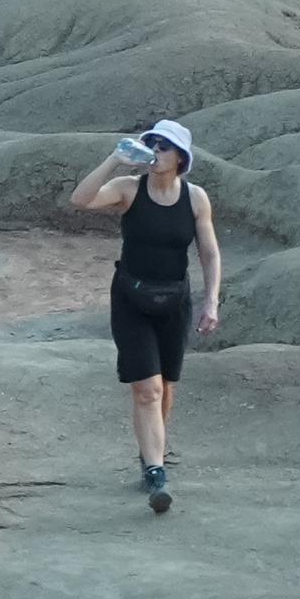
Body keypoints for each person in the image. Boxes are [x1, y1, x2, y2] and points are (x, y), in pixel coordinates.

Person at [67, 118, 220, 513]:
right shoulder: (129, 190)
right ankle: (156, 472)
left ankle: (151, 453)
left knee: (166, 387)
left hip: (174, 301)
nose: (155, 151)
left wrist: (212, 302)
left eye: (164, 146)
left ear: (181, 157)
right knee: (147, 389)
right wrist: (114, 159)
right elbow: (80, 199)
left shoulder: (196, 198)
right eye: (151, 143)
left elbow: (209, 252)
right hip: (132, 299)